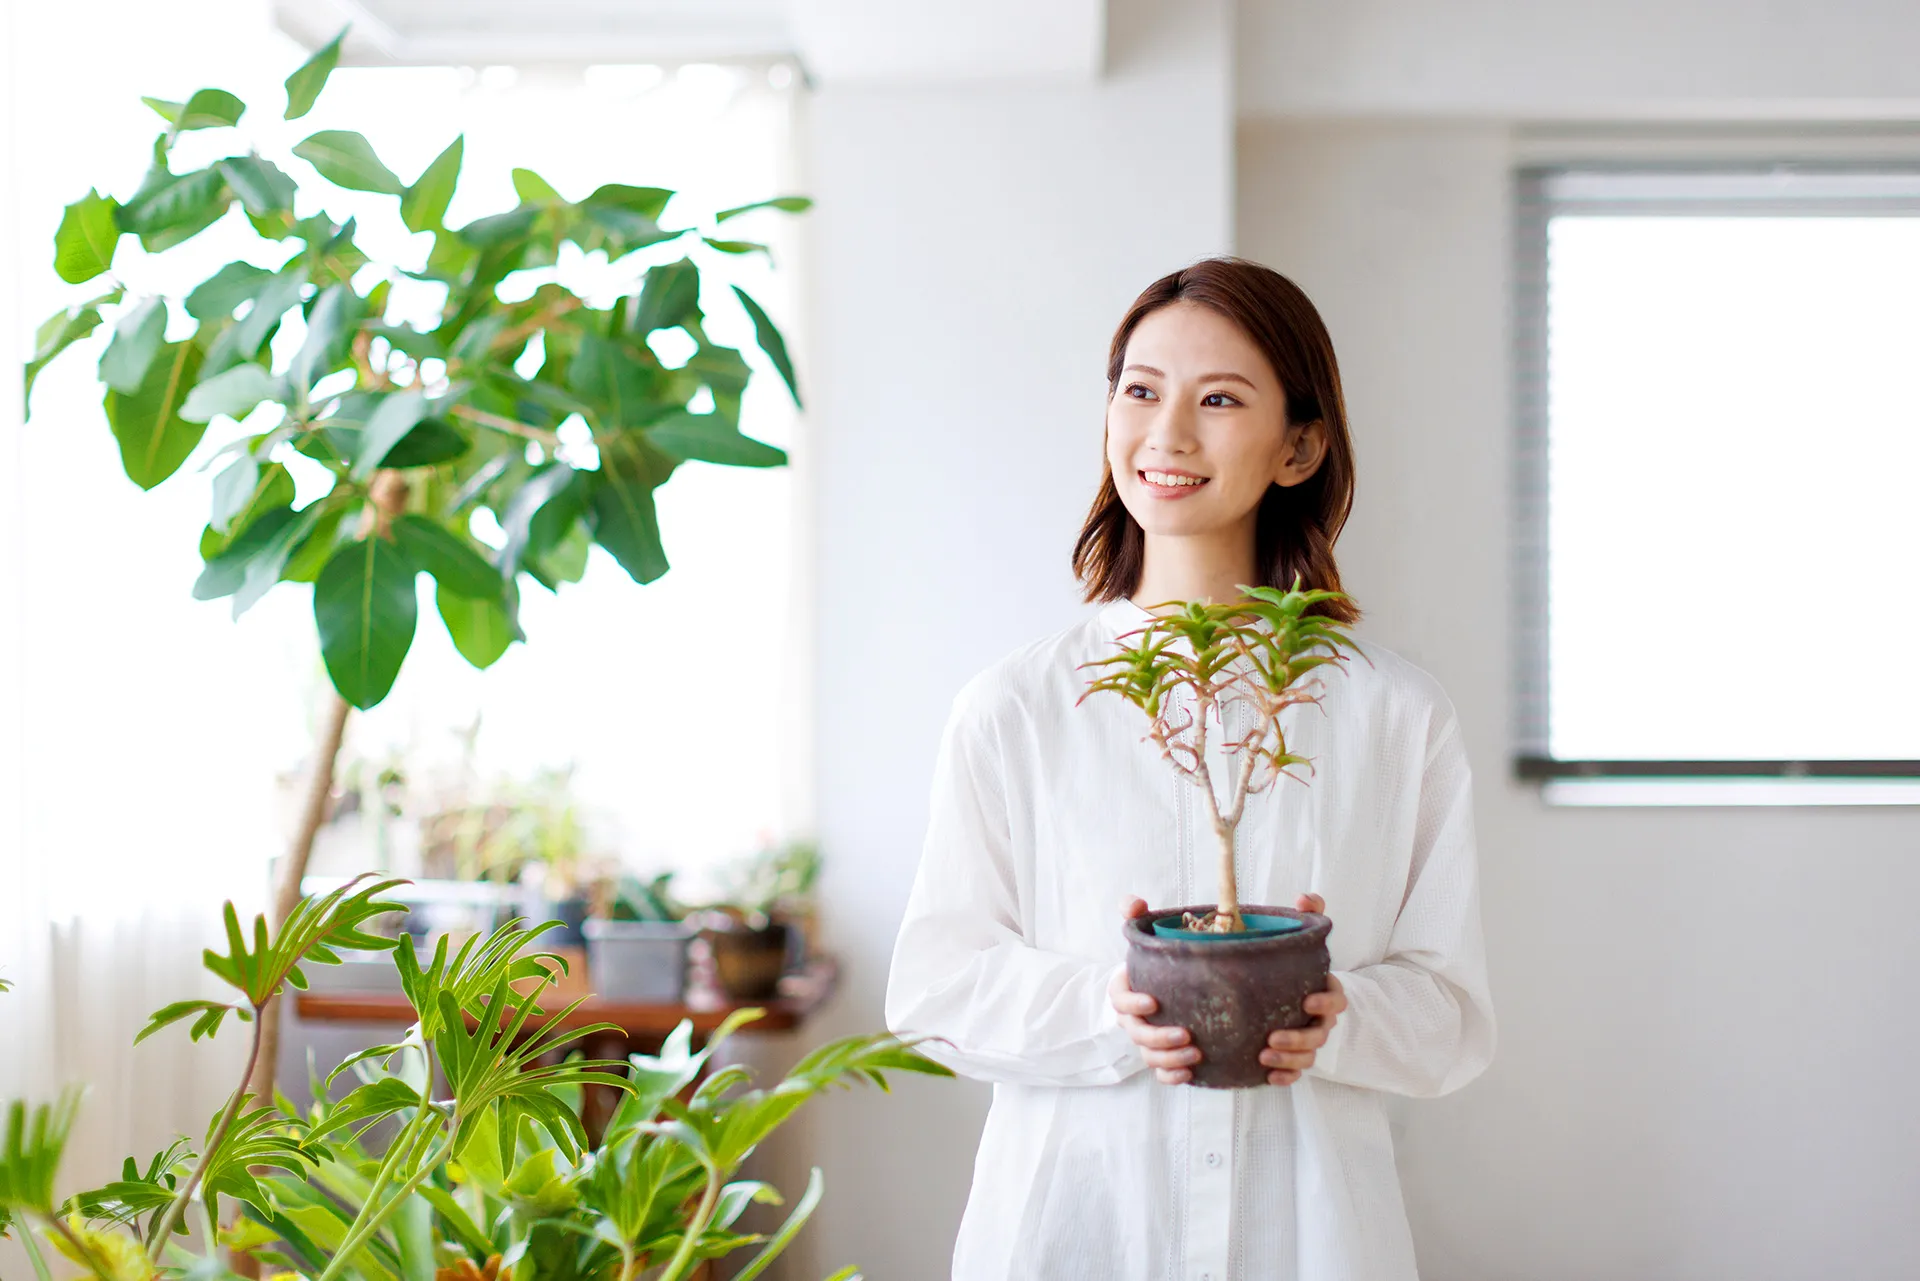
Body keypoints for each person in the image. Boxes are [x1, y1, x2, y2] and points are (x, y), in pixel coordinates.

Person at [885, 257, 1497, 1281]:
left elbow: (1453, 1014)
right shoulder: (1018, 709)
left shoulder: (1393, 713)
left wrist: (1333, 1014)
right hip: (1072, 1235)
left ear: (1299, 447)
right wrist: (1112, 1008)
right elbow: (936, 986)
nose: (1166, 434)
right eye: (1140, 390)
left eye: (1219, 399)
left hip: (1311, 1242)